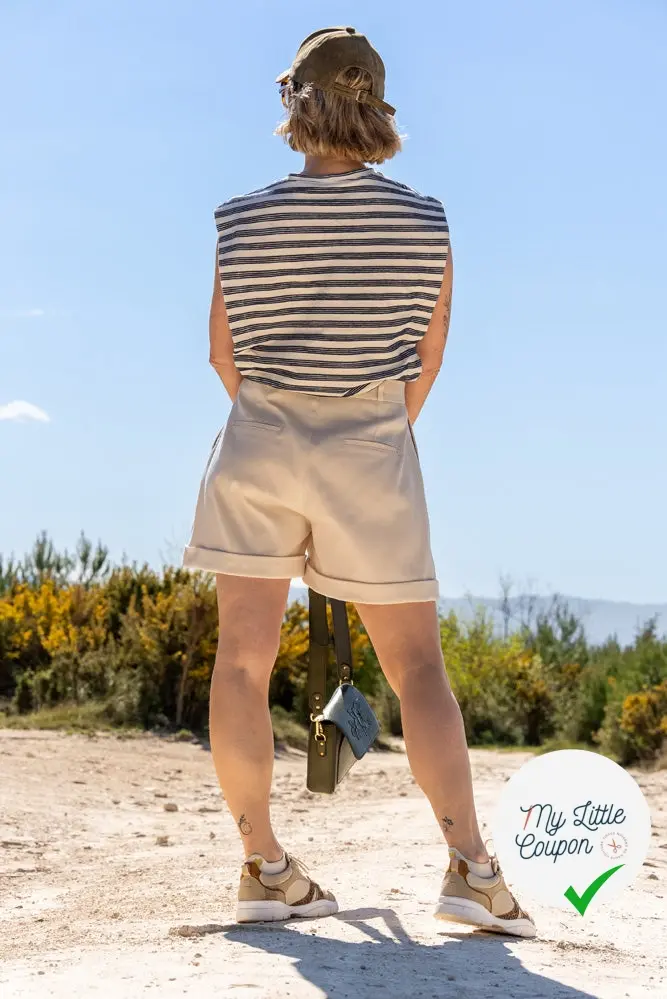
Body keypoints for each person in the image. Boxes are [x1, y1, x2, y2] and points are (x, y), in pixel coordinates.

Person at [183, 26, 535, 938]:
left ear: (293, 104)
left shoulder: (238, 219)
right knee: (416, 667)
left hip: (257, 439)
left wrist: (280, 422)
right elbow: (429, 354)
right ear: (375, 110)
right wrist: (368, 434)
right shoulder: (425, 220)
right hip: (372, 443)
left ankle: (263, 867)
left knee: (242, 661)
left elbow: (221, 354)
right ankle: (471, 871)